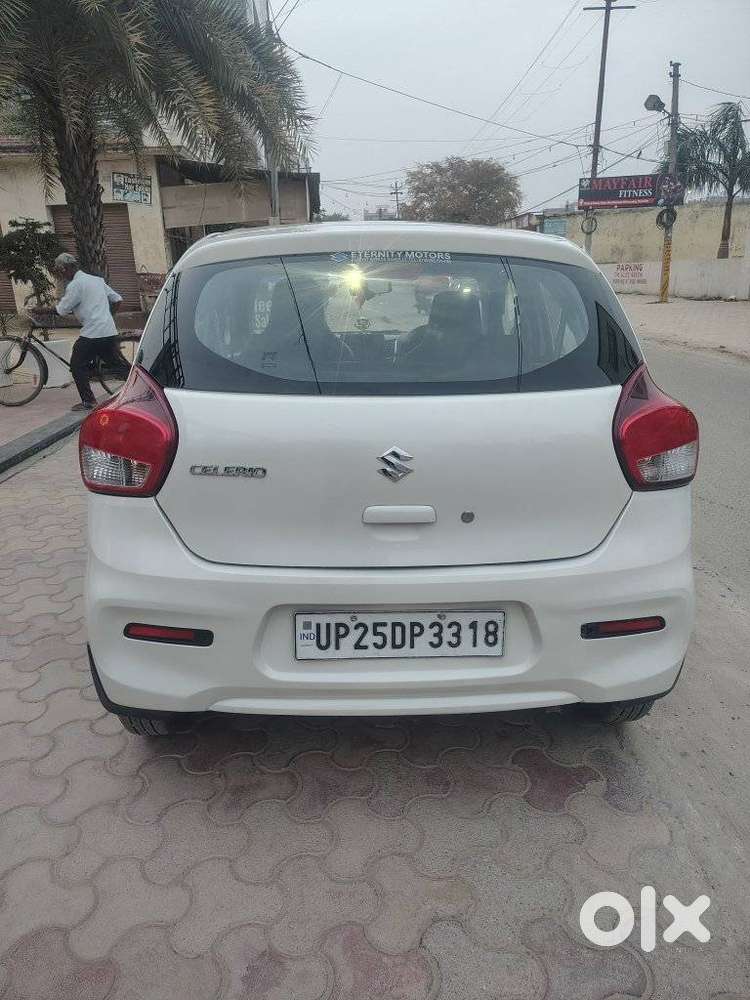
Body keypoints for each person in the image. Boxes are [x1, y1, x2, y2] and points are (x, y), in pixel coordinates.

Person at [53, 252, 125, 410]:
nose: (62, 274)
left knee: (76, 365)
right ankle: (144, 386)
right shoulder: (96, 280)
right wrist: (107, 316)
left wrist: (40, 311)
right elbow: (117, 299)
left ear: (68, 268)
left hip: (92, 333)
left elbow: (62, 310)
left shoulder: (75, 285)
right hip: (108, 329)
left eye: (62, 270)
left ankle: (89, 401)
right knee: (116, 365)